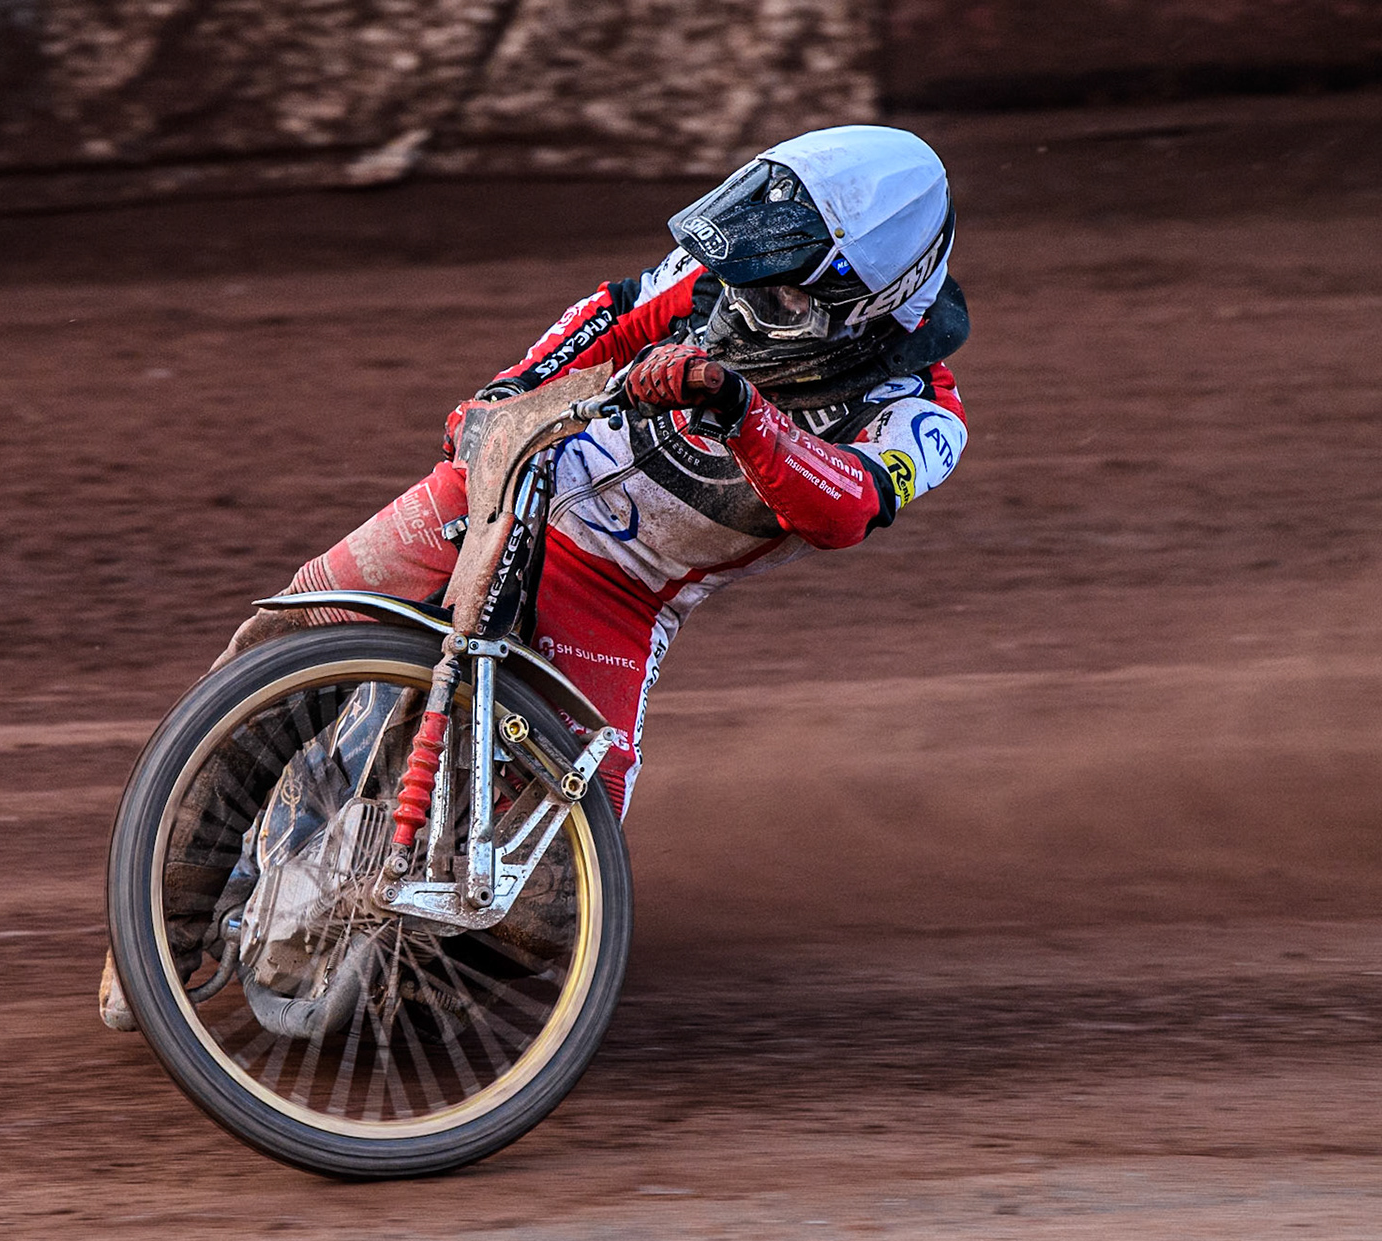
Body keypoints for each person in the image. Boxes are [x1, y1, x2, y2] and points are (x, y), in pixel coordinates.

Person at [216, 124, 972, 819]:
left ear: (868, 300)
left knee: (552, 907)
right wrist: (510, 392)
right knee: (275, 647)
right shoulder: (724, 276)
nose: (738, 303)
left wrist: (742, 411)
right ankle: (165, 924)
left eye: (774, 291)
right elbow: (620, 310)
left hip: (619, 594)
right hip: (510, 487)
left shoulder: (923, 417)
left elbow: (843, 511)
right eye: (744, 268)